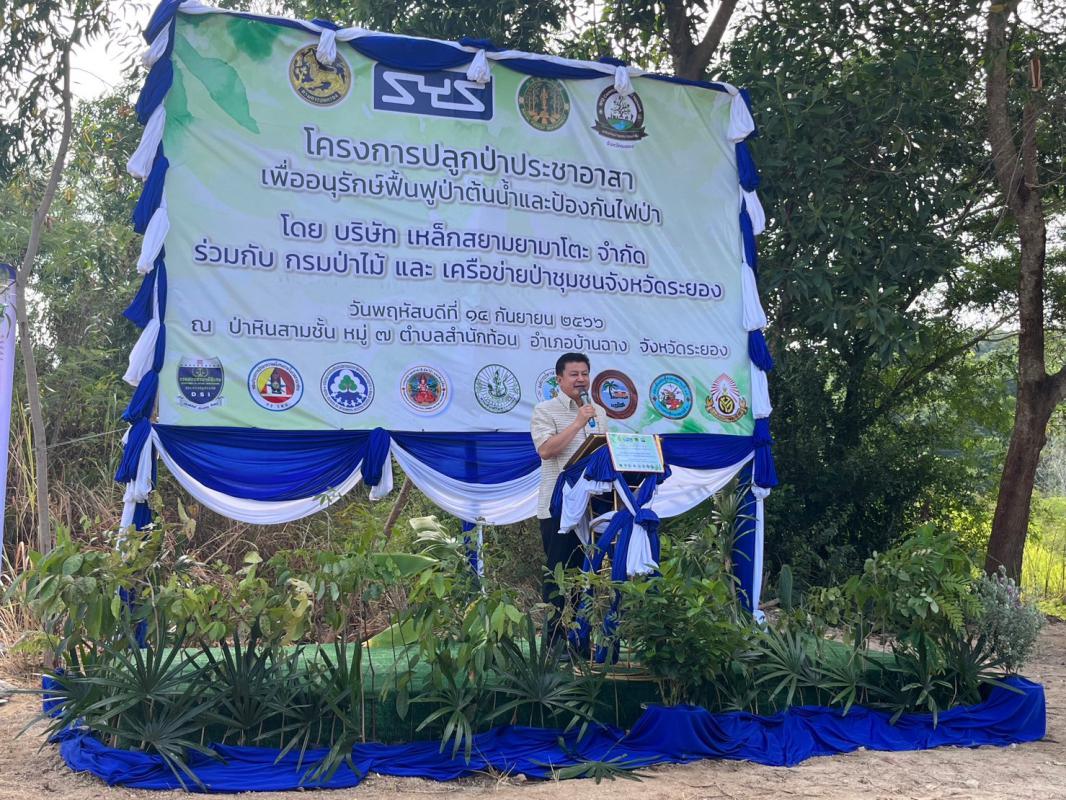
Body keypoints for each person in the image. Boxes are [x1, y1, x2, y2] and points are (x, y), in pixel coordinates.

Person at [530, 352, 609, 645]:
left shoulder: (599, 412)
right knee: (559, 574)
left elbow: (604, 452)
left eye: (584, 374)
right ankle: (555, 642)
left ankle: (581, 638)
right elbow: (546, 450)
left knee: (585, 575)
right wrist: (577, 422)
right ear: (559, 379)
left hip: (591, 508)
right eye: (574, 374)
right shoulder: (545, 410)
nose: (581, 380)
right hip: (558, 507)